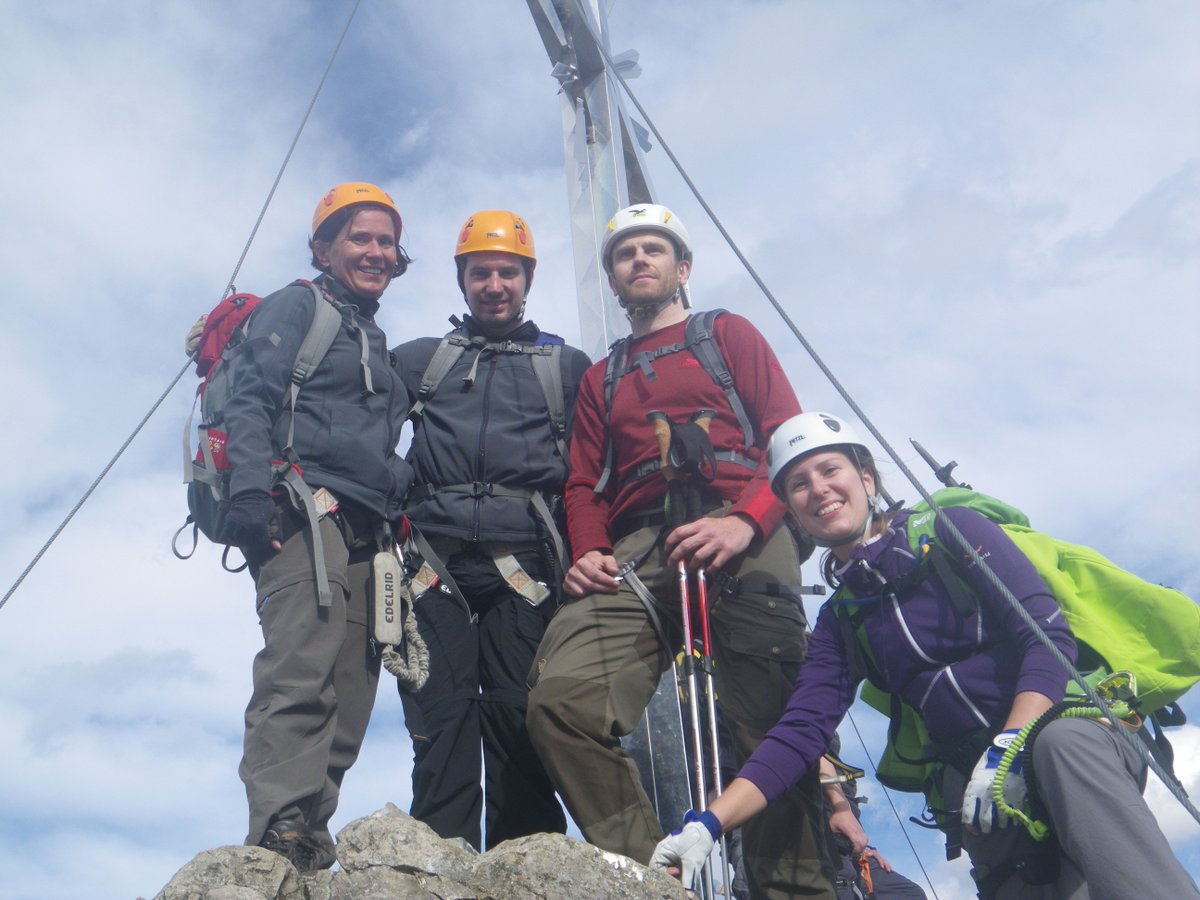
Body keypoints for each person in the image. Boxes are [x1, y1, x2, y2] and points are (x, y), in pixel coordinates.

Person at [650, 411, 1200, 899]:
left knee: (1058, 745)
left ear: (866, 479)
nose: (818, 489)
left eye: (830, 471)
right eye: (798, 483)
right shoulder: (843, 619)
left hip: (1070, 732)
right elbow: (799, 734)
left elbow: (1046, 638)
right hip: (973, 782)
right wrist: (707, 826)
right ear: (791, 510)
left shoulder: (952, 529)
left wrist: (1007, 746)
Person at [526, 203, 835, 898]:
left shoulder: (728, 334)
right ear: (612, 277)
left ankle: (797, 890)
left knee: (769, 728)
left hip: (742, 526)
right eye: (625, 253)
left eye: (653, 250)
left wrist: (749, 523)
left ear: (681, 268)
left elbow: (786, 437)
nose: (639, 260)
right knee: (560, 704)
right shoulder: (599, 378)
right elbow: (583, 481)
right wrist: (587, 549)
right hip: (640, 544)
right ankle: (652, 880)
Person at [220, 182, 414, 871]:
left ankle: (311, 830)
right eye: (359, 237)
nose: (374, 251)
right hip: (304, 508)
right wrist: (249, 494)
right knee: (302, 667)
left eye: (385, 241)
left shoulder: (373, 336)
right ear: (324, 248)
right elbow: (250, 397)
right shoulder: (298, 305)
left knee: (354, 685)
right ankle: (277, 829)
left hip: (369, 527)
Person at [392, 210, 588, 850]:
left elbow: (596, 464)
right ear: (463, 280)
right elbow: (350, 408)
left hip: (524, 565)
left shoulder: (564, 367)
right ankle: (439, 862)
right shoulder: (422, 361)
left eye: (508, 271)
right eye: (482, 272)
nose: (495, 284)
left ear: (527, 279)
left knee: (517, 712)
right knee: (439, 717)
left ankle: (523, 863)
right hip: (433, 561)